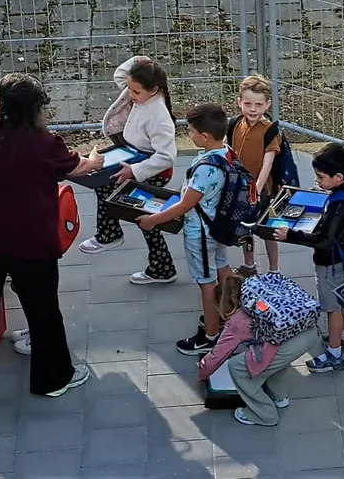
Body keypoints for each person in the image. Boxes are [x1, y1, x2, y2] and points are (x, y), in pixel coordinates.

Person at [0, 74, 105, 407]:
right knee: (43, 312)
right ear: (37, 107)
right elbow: (78, 168)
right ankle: (52, 379)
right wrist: (95, 160)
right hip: (32, 244)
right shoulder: (45, 144)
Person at [136, 103, 233, 355]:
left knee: (206, 284)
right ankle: (230, 315)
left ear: (205, 136)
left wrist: (153, 221)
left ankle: (210, 336)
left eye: (191, 131)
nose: (189, 135)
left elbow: (185, 205)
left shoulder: (205, 169)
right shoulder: (226, 153)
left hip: (200, 233)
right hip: (218, 227)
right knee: (222, 267)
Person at [78, 56, 180, 286]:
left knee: (142, 215)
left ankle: (113, 237)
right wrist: (137, 60)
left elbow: (166, 156)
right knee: (132, 209)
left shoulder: (159, 116)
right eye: (130, 90)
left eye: (135, 92)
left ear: (153, 90)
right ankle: (157, 265)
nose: (130, 95)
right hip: (134, 157)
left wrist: (134, 171)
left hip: (151, 169)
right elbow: (119, 76)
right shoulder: (142, 93)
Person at [274, 143, 344, 371]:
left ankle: (334, 354)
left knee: (331, 308)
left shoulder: (340, 202)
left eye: (321, 177)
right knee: (339, 301)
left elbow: (324, 240)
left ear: (339, 176)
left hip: (329, 263)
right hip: (337, 261)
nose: (318, 181)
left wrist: (289, 234)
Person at [200, 274, 322, 426]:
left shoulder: (236, 322)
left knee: (238, 367)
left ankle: (265, 414)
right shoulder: (258, 296)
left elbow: (217, 356)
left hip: (288, 345)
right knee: (276, 362)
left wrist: (202, 373)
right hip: (308, 331)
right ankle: (280, 397)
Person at [229, 75, 284, 273]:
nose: (253, 109)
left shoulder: (270, 131)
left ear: (267, 105)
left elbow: (267, 164)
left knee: (267, 230)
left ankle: (274, 269)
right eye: (248, 104)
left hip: (262, 191)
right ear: (239, 103)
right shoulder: (235, 124)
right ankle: (249, 264)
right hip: (239, 188)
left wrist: (257, 190)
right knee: (245, 227)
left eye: (258, 105)